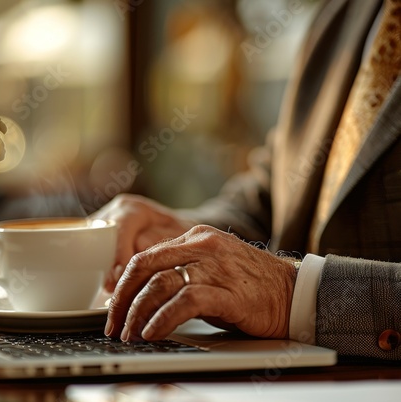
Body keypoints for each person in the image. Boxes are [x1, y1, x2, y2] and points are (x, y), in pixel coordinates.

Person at [91, 0, 401, 362]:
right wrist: (183, 236)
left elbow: (288, 281)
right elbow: (275, 196)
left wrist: (292, 295)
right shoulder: (346, 13)